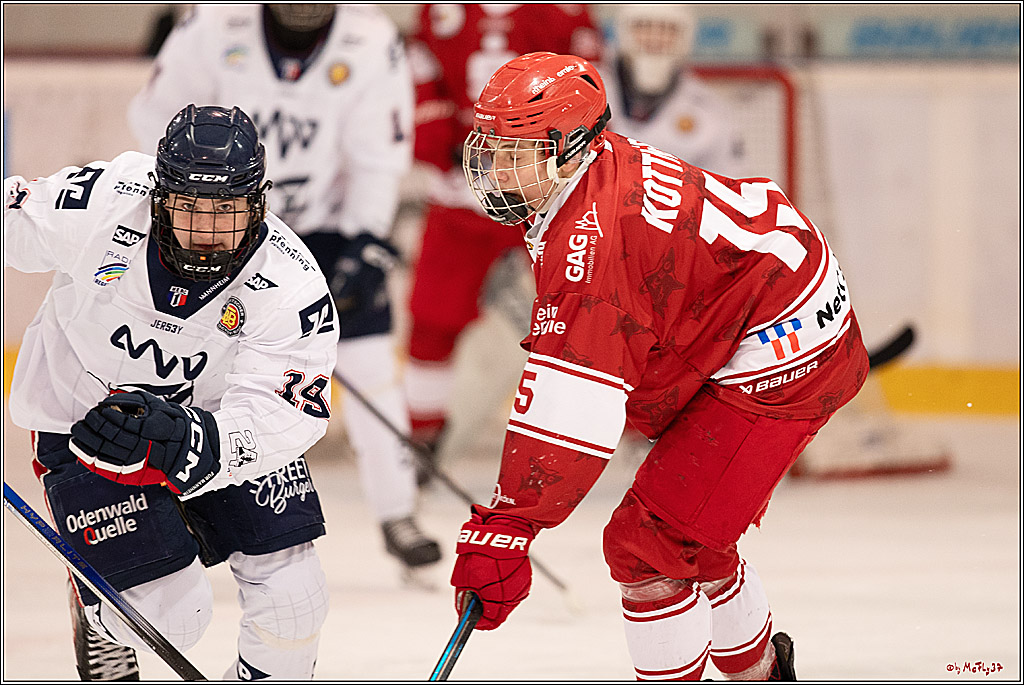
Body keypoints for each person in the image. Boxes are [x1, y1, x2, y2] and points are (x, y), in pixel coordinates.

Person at [448, 53, 870, 681]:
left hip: (782, 340)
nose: (498, 167)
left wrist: (506, 528)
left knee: (648, 546)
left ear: (569, 149)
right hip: (760, 301)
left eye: (519, 150)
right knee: (691, 519)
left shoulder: (590, 246)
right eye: (494, 146)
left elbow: (571, 415)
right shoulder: (591, 168)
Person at [4, 105, 335, 679]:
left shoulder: (290, 282)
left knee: (294, 598)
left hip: (211, 420)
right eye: (189, 208)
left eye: (227, 210)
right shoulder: (104, 204)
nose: (207, 231)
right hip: (89, 428)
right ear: (159, 196)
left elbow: (284, 414)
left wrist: (195, 443)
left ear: (258, 202)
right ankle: (98, 609)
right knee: (172, 618)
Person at [127, 4, 441, 573]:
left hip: (326, 230)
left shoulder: (371, 40)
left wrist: (367, 241)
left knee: (369, 361)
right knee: (195, 363)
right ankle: (179, 508)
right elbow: (155, 123)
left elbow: (377, 158)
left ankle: (398, 511)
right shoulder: (211, 24)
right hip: (214, 220)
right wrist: (188, 212)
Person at [402, 4, 603, 480]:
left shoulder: (563, 13)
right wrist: (435, 148)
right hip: (459, 191)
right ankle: (421, 442)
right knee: (432, 318)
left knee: (586, 316)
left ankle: (584, 438)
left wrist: (562, 159)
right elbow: (417, 77)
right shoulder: (440, 11)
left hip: (543, 193)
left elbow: (591, 90)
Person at [606, 4, 744, 177]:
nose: (655, 39)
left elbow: (726, 186)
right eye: (643, 26)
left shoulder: (712, 111)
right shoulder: (585, 93)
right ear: (623, 32)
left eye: (667, 29)